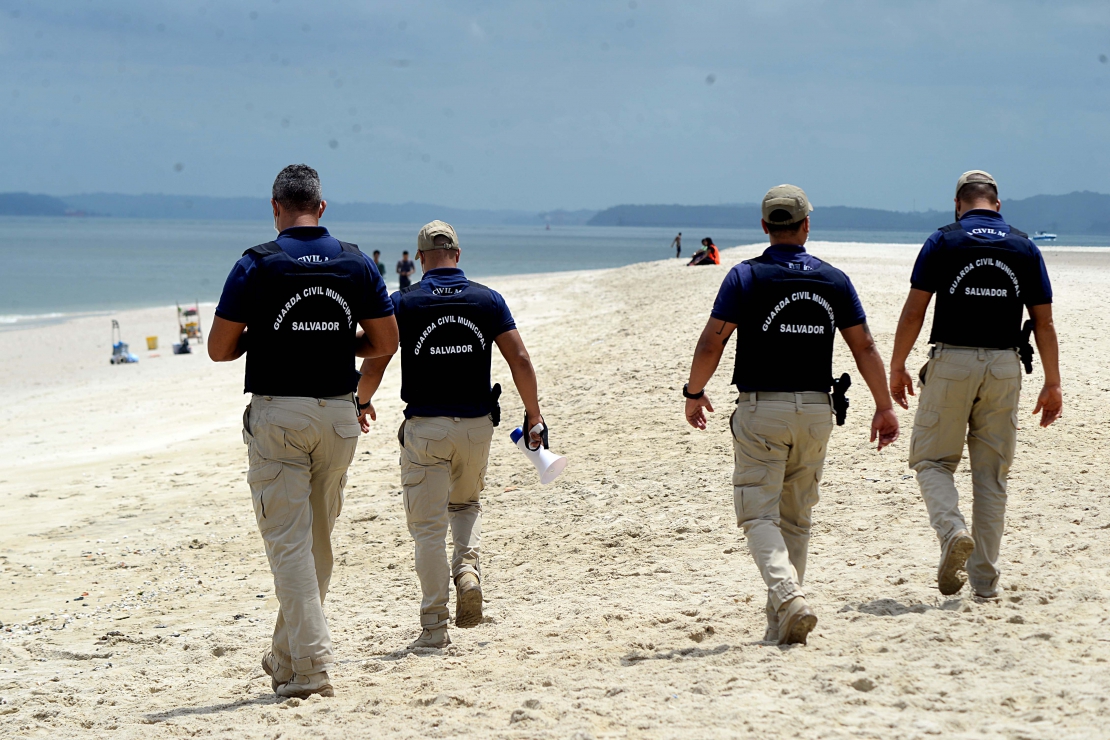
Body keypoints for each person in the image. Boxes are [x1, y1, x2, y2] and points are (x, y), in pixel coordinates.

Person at [207, 164, 399, 698]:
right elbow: (385, 341)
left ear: (275, 208)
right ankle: (286, 658)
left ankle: (312, 666)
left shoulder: (257, 264)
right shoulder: (355, 261)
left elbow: (220, 349)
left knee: (290, 545)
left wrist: (266, 339)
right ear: (322, 207)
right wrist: (340, 345)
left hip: (281, 416)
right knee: (316, 543)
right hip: (339, 414)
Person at [683, 184, 899, 645]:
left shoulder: (746, 277)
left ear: (764, 227)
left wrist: (694, 391)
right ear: (805, 226)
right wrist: (883, 405)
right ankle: (780, 622)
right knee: (796, 518)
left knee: (758, 515)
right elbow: (864, 345)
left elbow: (711, 342)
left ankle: (788, 596)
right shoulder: (832, 279)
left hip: (764, 409)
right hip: (818, 409)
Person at [356, 220, 548, 649]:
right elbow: (519, 357)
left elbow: (377, 360)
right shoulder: (487, 299)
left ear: (421, 258)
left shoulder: (404, 302)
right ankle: (467, 570)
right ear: (457, 255)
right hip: (477, 426)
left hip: (426, 428)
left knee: (427, 529)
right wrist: (534, 415)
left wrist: (361, 401)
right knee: (466, 503)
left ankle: (434, 626)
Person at [889, 170, 1061, 599]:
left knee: (931, 461)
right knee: (991, 475)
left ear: (958, 202)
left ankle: (951, 532)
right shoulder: (1024, 244)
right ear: (997, 205)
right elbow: (1044, 321)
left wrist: (898, 365)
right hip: (1005, 365)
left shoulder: (944, 240)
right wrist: (1053, 382)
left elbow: (914, 312)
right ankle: (984, 581)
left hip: (953, 360)